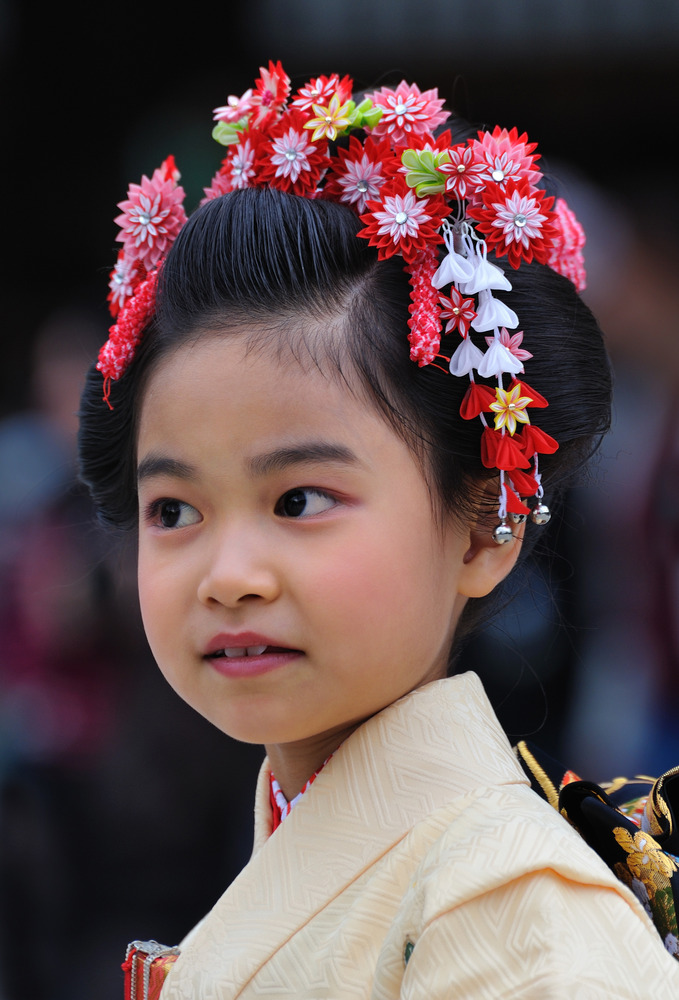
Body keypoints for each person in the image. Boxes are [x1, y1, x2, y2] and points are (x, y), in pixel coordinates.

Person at [78, 62, 679, 998]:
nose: (227, 575)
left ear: (482, 528)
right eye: (175, 511)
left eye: (300, 501)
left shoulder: (511, 917)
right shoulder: (339, 867)